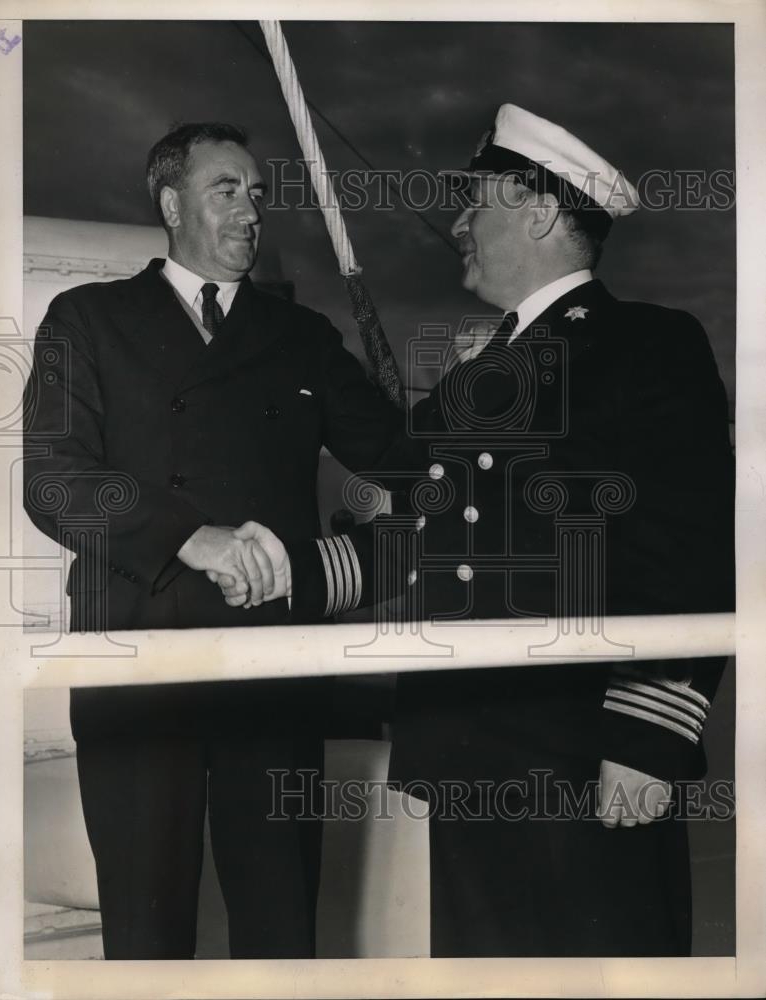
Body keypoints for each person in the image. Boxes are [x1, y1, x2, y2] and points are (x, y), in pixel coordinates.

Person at [225, 105, 735, 956]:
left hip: (582, 749)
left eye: (478, 201)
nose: (456, 221)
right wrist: (289, 574)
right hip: (469, 746)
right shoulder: (473, 374)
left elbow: (687, 542)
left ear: (540, 211)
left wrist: (649, 736)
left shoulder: (645, 344)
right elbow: (424, 541)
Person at [23, 122, 402, 959]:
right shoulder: (88, 320)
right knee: (146, 932)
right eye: (226, 189)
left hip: (272, 671)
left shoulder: (300, 335)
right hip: (135, 661)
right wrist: (190, 535)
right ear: (170, 202)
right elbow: (52, 480)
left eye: (258, 193)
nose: (250, 210)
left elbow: (405, 462)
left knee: (279, 927)